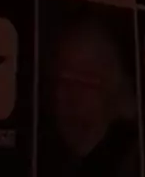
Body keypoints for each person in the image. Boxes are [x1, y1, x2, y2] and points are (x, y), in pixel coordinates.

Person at [40, 14, 139, 177]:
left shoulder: (132, 160)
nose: (61, 95)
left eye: (82, 79)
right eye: (59, 79)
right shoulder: (46, 156)